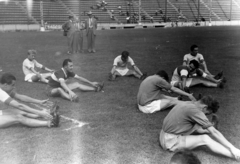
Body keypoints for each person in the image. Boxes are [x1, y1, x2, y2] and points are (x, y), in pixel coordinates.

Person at [160, 95, 240, 160]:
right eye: (207, 113)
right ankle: (236, 155)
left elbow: (193, 126)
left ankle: (209, 128)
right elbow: (214, 132)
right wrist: (233, 148)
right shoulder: (195, 111)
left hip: (163, 135)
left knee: (196, 125)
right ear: (205, 107)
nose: (205, 115)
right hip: (169, 142)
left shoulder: (188, 103)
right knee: (205, 139)